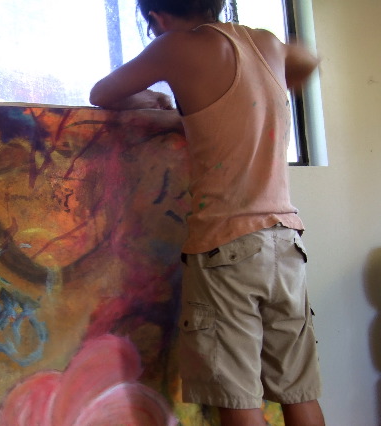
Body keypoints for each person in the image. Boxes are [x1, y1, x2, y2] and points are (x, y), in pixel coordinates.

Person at [90, 1, 325, 425]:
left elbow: (103, 94)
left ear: (157, 18)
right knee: (298, 391)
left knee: (237, 398)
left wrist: (154, 99)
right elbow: (308, 58)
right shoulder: (266, 42)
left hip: (226, 247)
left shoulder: (175, 46)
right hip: (285, 241)